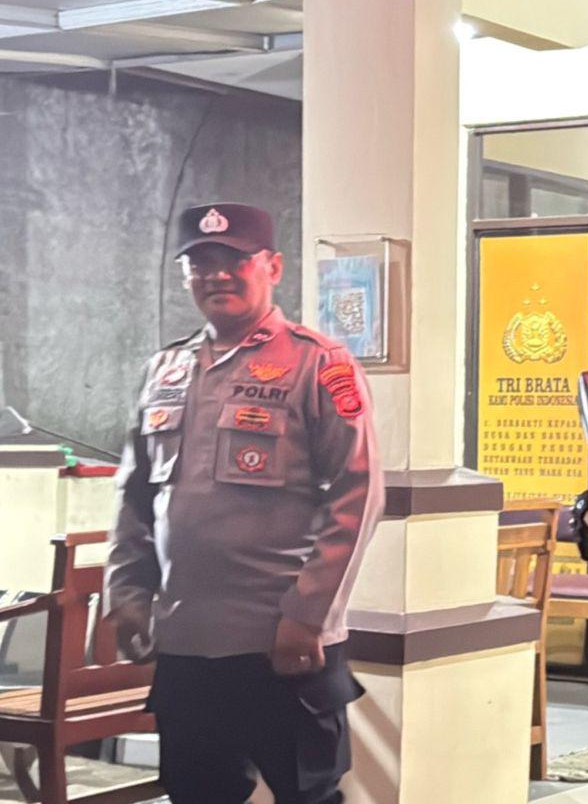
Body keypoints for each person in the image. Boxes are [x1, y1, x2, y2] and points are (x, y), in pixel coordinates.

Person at [104, 202, 384, 804]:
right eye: (200, 263)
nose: (216, 275)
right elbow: (134, 495)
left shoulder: (318, 363)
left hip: (283, 641)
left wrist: (308, 615)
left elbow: (358, 494)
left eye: (234, 260)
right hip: (185, 641)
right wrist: (125, 593)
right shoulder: (165, 369)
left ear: (272, 267)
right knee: (197, 793)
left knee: (308, 796)